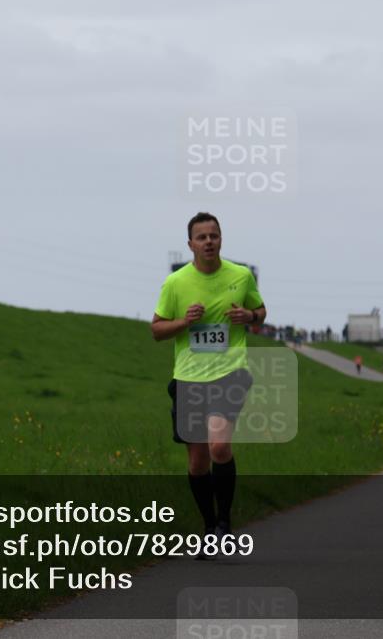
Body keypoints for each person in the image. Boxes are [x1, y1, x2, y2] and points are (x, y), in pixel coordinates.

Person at [151, 212, 266, 558]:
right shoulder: (176, 283)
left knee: (219, 447)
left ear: (221, 239)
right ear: (190, 245)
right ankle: (208, 528)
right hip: (189, 378)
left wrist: (248, 317)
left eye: (214, 235)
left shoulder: (241, 276)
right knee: (198, 461)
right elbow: (156, 330)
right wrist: (184, 322)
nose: (209, 241)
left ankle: (226, 526)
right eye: (201, 237)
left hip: (230, 372)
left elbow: (260, 313)